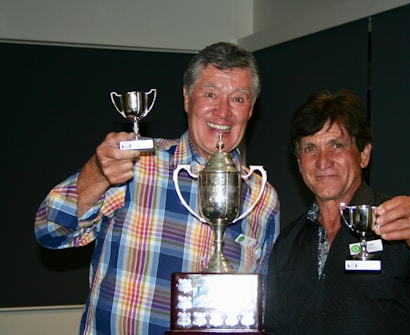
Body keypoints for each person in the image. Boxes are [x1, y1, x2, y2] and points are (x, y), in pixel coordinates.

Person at [35, 42, 280, 335]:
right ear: (187, 98)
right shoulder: (136, 164)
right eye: (210, 94)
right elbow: (50, 231)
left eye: (238, 99)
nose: (223, 112)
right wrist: (96, 174)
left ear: (251, 109)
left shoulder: (261, 196)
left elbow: (261, 302)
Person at [263, 89, 410, 334]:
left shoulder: (406, 224)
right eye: (310, 148)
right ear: (299, 162)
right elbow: (274, 326)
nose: (323, 161)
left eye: (336, 145)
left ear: (364, 154)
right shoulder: (288, 242)